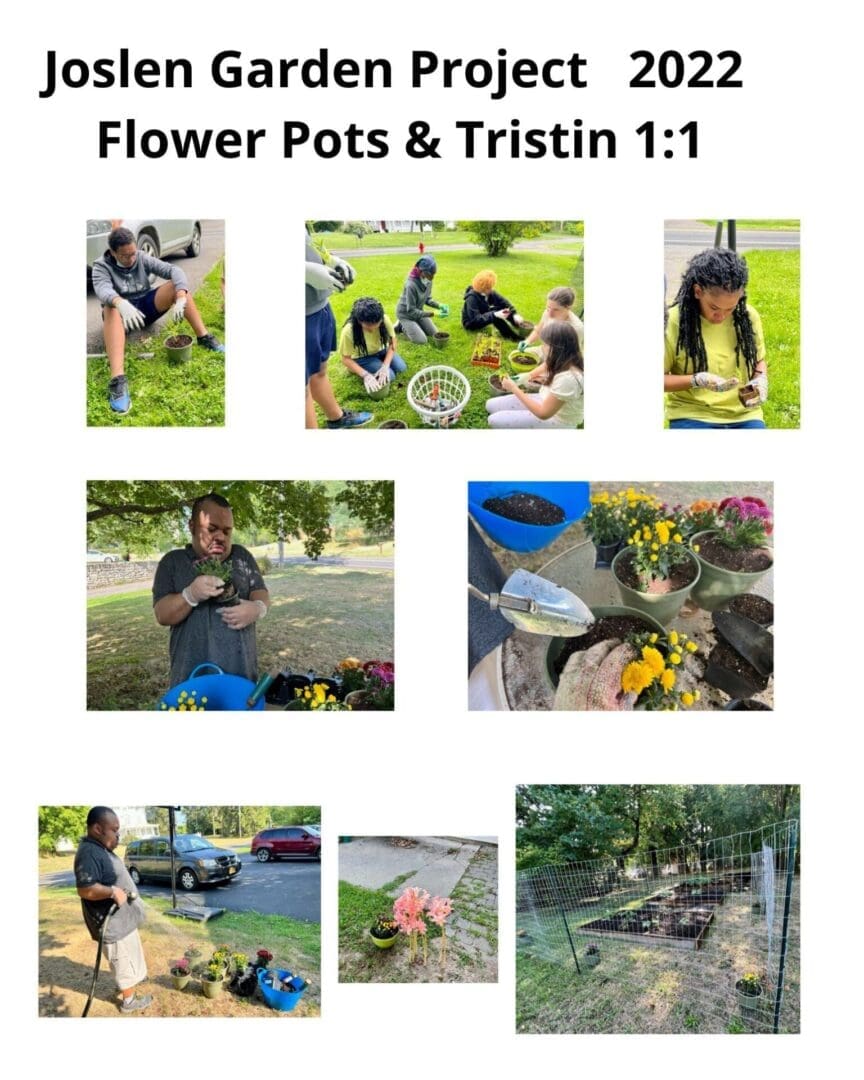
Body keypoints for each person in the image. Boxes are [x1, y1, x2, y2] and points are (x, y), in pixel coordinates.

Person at [91, 226, 225, 416]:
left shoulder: (140, 256)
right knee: (109, 307)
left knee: (177, 287)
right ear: (112, 252)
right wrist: (120, 302)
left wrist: (180, 296)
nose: (131, 259)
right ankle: (118, 379)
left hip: (145, 307)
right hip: (120, 315)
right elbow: (102, 289)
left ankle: (204, 337)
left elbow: (173, 269)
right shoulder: (100, 266)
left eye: (133, 254)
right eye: (125, 256)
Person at [153, 492, 270, 689]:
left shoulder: (242, 557)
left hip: (240, 674)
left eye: (227, 531)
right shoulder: (172, 562)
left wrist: (258, 608)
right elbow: (161, 615)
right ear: (192, 526)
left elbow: (260, 592)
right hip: (190, 678)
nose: (220, 537)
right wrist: (189, 595)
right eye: (212, 529)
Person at [664, 248, 768, 428]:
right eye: (714, 308)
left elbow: (759, 360)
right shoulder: (674, 321)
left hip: (744, 414)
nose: (721, 316)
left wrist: (760, 379)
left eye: (730, 309)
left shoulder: (748, 317)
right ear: (697, 291)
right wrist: (696, 380)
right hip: (692, 412)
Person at [74, 806, 151, 1013]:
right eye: (114, 830)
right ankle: (129, 1001)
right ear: (98, 829)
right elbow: (85, 889)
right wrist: (111, 892)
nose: (118, 834)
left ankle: (132, 981)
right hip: (113, 927)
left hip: (123, 922)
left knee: (130, 957)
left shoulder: (100, 849)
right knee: (122, 962)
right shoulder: (89, 852)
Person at [305, 228, 373, 428]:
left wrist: (331, 260)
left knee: (319, 371)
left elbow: (308, 246)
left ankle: (337, 418)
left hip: (320, 306)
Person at [486, 321, 584, 428]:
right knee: (489, 405)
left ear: (556, 348)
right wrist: (528, 375)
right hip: (544, 398)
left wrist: (514, 388)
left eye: (544, 345)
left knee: (493, 420)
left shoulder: (568, 379)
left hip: (558, 419)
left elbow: (543, 414)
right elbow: (547, 364)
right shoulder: (566, 355)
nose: (542, 347)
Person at [339, 297, 407, 394]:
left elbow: (393, 342)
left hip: (381, 350)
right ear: (359, 321)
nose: (372, 330)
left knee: (401, 368)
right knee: (390, 376)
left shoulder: (384, 319)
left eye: (376, 325)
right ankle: (358, 368)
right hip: (362, 357)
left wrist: (385, 365)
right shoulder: (348, 331)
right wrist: (365, 375)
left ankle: (379, 363)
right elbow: (345, 359)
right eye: (368, 327)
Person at [517, 285, 584, 358]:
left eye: (556, 310)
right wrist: (527, 341)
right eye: (548, 307)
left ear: (568, 307)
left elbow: (568, 358)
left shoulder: (576, 328)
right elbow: (538, 331)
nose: (550, 314)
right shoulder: (548, 312)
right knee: (516, 354)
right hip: (545, 350)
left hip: (562, 360)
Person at [394, 255, 448, 344]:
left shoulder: (428, 281)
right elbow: (411, 311)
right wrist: (433, 313)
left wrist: (440, 306)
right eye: (430, 274)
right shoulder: (411, 285)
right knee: (422, 340)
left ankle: (414, 326)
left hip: (418, 311)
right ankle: (401, 326)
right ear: (421, 271)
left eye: (433, 274)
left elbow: (427, 299)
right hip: (406, 314)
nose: (432, 278)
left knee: (434, 333)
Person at [461, 269, 525, 341]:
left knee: (503, 310)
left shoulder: (489, 291)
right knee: (496, 316)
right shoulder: (471, 298)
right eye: (489, 288)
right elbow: (475, 319)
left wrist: (515, 314)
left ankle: (517, 324)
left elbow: (504, 302)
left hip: (482, 314)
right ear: (484, 288)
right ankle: (512, 337)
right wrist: (495, 315)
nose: (492, 289)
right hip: (471, 323)